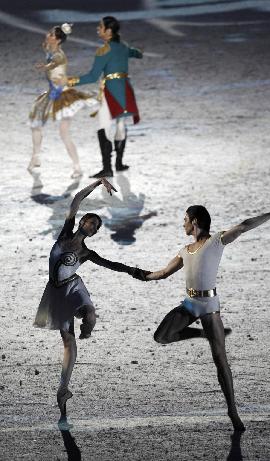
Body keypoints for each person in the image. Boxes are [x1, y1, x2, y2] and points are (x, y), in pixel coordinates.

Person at [145, 205, 270, 431]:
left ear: (194, 221)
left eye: (185, 219)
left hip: (209, 306)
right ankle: (202, 334)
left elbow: (244, 226)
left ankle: (232, 411)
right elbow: (163, 273)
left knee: (220, 359)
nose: (183, 223)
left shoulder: (217, 240)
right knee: (161, 336)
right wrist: (137, 273)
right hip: (189, 304)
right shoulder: (185, 250)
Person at [33, 177, 146, 421]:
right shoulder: (65, 233)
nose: (88, 223)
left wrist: (133, 271)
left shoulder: (87, 253)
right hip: (56, 292)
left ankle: (88, 327)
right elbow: (76, 200)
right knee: (67, 342)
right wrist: (97, 183)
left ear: (93, 232)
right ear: (81, 221)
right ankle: (63, 388)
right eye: (87, 219)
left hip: (73, 287)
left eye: (93, 224)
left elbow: (111, 264)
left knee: (90, 315)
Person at [68, 16, 143, 178]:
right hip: (125, 90)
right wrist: (137, 53)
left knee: (104, 126)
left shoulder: (104, 51)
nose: (98, 29)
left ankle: (107, 168)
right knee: (121, 125)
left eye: (100, 27)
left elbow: (93, 76)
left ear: (108, 31)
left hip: (111, 91)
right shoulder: (123, 46)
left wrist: (70, 81)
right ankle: (119, 164)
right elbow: (135, 53)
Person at [28, 23, 98, 178]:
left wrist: (44, 67)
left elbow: (53, 64)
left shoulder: (59, 55)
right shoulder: (49, 49)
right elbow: (46, 46)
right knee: (36, 124)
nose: (48, 35)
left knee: (64, 133)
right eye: (49, 33)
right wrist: (62, 29)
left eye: (52, 35)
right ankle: (36, 156)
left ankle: (77, 167)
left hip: (63, 96)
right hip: (51, 94)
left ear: (58, 40)